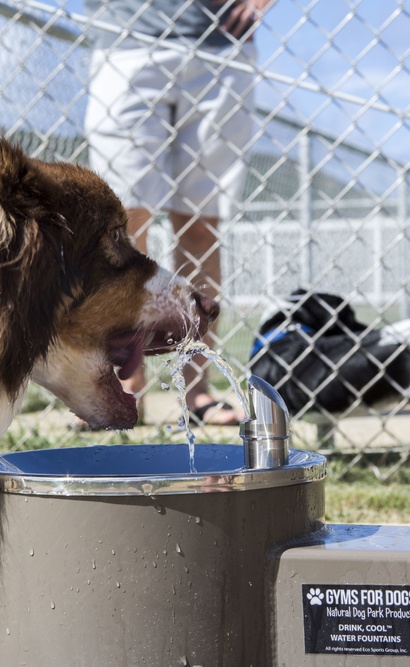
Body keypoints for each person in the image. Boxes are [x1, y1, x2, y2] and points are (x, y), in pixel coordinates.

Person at [84, 0, 271, 425]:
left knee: (201, 226)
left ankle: (198, 389)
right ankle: (125, 386)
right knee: (122, 225)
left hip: (221, 43)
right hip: (124, 38)